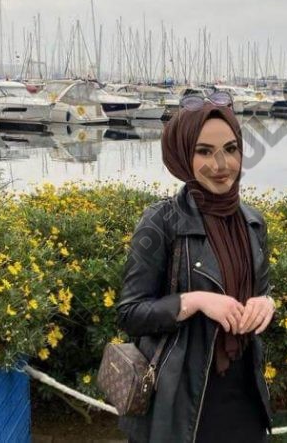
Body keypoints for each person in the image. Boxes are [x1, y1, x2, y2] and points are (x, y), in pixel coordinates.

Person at [116, 92, 276, 443]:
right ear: (183, 156)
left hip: (244, 392)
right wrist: (195, 301)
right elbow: (130, 314)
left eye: (230, 149)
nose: (221, 164)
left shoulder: (252, 222)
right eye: (204, 151)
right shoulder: (161, 222)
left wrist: (267, 303)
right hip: (178, 401)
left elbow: (262, 291)